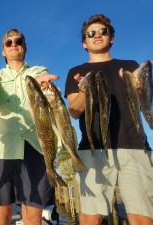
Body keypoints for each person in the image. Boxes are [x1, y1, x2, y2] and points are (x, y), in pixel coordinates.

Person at [64, 14, 153, 225]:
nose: (97, 36)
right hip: (93, 148)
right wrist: (85, 89)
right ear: (84, 42)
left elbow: (143, 104)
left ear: (111, 38)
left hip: (134, 146)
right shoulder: (76, 72)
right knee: (90, 217)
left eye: (103, 32)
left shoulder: (130, 65)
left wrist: (142, 84)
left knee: (142, 216)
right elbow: (75, 111)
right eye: (90, 33)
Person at [0, 28, 59, 225]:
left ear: (24, 47)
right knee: (1, 211)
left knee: (33, 211)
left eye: (18, 41)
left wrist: (43, 86)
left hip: (35, 145)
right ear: (3, 51)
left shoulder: (38, 71)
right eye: (8, 43)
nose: (14, 45)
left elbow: (44, 84)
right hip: (1, 150)